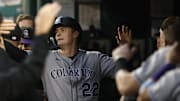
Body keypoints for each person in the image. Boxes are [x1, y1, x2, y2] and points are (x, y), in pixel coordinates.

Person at [42, 16, 118, 101]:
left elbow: (122, 70)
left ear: (75, 33)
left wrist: (125, 47)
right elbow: (24, 57)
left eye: (62, 30)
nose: (58, 34)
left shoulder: (95, 59)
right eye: (56, 32)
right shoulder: (45, 58)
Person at [0, 2, 61, 101]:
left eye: (29, 29)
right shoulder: (9, 55)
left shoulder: (48, 53)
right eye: (22, 29)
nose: (25, 32)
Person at [113, 16, 180, 98]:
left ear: (165, 42)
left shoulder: (167, 54)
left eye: (160, 39)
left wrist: (121, 58)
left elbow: (126, 86)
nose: (158, 42)